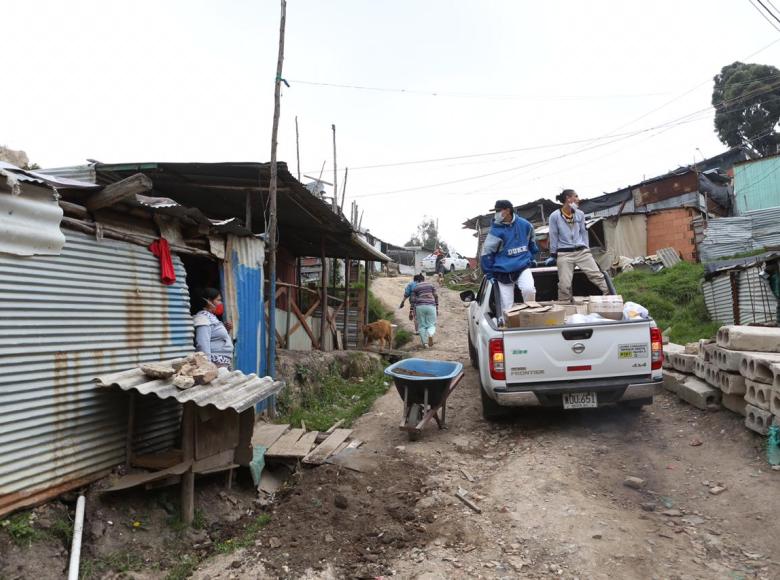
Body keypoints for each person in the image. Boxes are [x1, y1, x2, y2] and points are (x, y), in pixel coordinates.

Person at [480, 200, 538, 322]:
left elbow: (532, 243)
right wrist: (488, 272)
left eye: (497, 211)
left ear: (507, 211)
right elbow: (486, 254)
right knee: (507, 306)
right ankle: (509, 326)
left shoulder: (525, 225)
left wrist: (531, 257)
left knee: (529, 289)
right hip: (502, 272)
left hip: (522, 266)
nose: (495, 214)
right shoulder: (495, 231)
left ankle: (531, 317)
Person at [547, 189, 609, 302]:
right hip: (564, 253)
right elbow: (553, 235)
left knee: (597, 276)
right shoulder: (554, 216)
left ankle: (611, 299)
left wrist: (587, 248)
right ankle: (565, 306)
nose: (578, 199)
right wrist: (553, 253)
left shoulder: (580, 214)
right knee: (564, 283)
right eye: (576, 196)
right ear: (568, 199)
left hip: (581, 251)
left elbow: (583, 232)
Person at [193, 288, 234, 368]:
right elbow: (202, 344)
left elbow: (215, 338)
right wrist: (207, 367)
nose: (221, 303)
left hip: (221, 365)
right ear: (209, 301)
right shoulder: (202, 318)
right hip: (213, 367)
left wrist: (226, 330)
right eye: (218, 300)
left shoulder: (212, 317)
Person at [410, 274, 438, 348]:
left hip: (420, 306)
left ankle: (425, 344)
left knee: (421, 326)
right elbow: (436, 295)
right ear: (423, 279)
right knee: (431, 324)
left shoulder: (415, 287)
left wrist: (411, 310)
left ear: (417, 281)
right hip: (431, 306)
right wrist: (437, 306)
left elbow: (413, 300)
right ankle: (430, 334)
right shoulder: (430, 285)